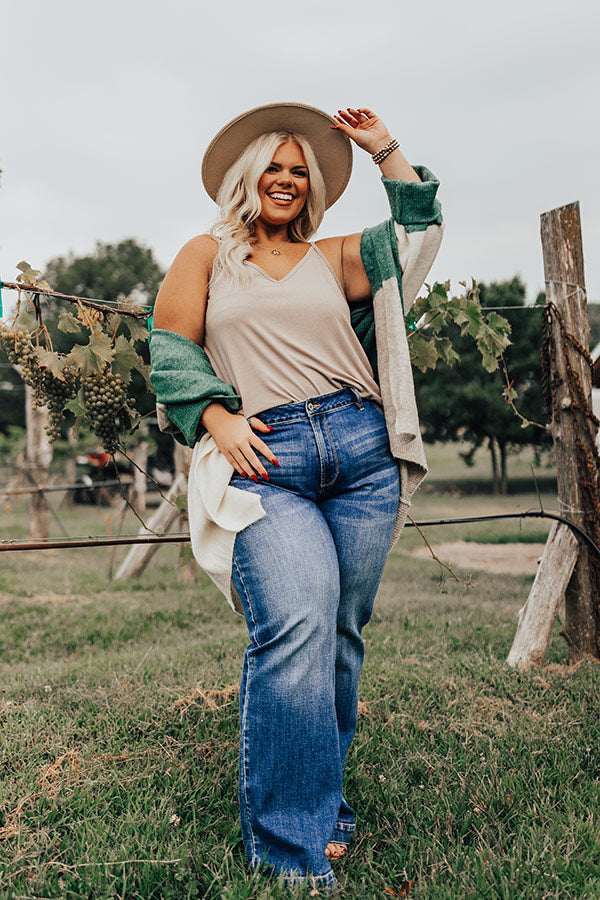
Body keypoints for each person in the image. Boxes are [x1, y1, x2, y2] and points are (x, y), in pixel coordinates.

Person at [149, 102, 443, 892]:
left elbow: (419, 233)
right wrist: (216, 417)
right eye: (273, 168)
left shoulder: (336, 256)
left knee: (341, 632)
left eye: (299, 171)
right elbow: (170, 350)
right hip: (266, 456)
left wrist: (383, 148)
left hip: (360, 452)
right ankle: (289, 851)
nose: (286, 180)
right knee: (296, 626)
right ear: (247, 179)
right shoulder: (206, 255)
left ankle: (324, 806)